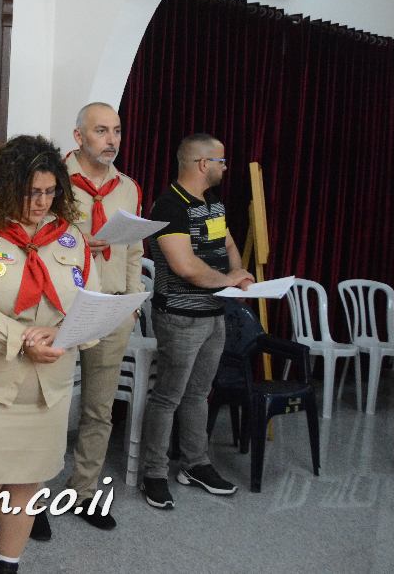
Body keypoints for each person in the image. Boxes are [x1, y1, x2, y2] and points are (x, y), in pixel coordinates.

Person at [0, 135, 96, 574]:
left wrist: (63, 333)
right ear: (7, 188)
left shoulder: (70, 239)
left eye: (49, 192)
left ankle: (6, 566)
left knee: (27, 483)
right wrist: (22, 337)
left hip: (46, 389)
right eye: (31, 193)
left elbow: (91, 301)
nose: (41, 202)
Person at [140, 133, 253, 510]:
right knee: (167, 397)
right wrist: (228, 281)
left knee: (199, 394)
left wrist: (239, 274)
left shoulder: (213, 203)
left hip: (213, 314)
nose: (225, 167)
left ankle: (195, 464)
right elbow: (184, 266)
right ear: (203, 164)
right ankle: (154, 474)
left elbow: (228, 245)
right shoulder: (169, 205)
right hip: (180, 317)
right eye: (221, 161)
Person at [64, 102, 144, 531]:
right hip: (62, 307)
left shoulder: (127, 187)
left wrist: (130, 301)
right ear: (79, 136)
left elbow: (132, 248)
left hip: (110, 307)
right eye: (101, 131)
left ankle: (83, 492)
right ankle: (27, 497)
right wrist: (77, 242)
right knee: (49, 406)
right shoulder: (52, 181)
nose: (111, 140)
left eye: (116, 130)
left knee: (99, 409)